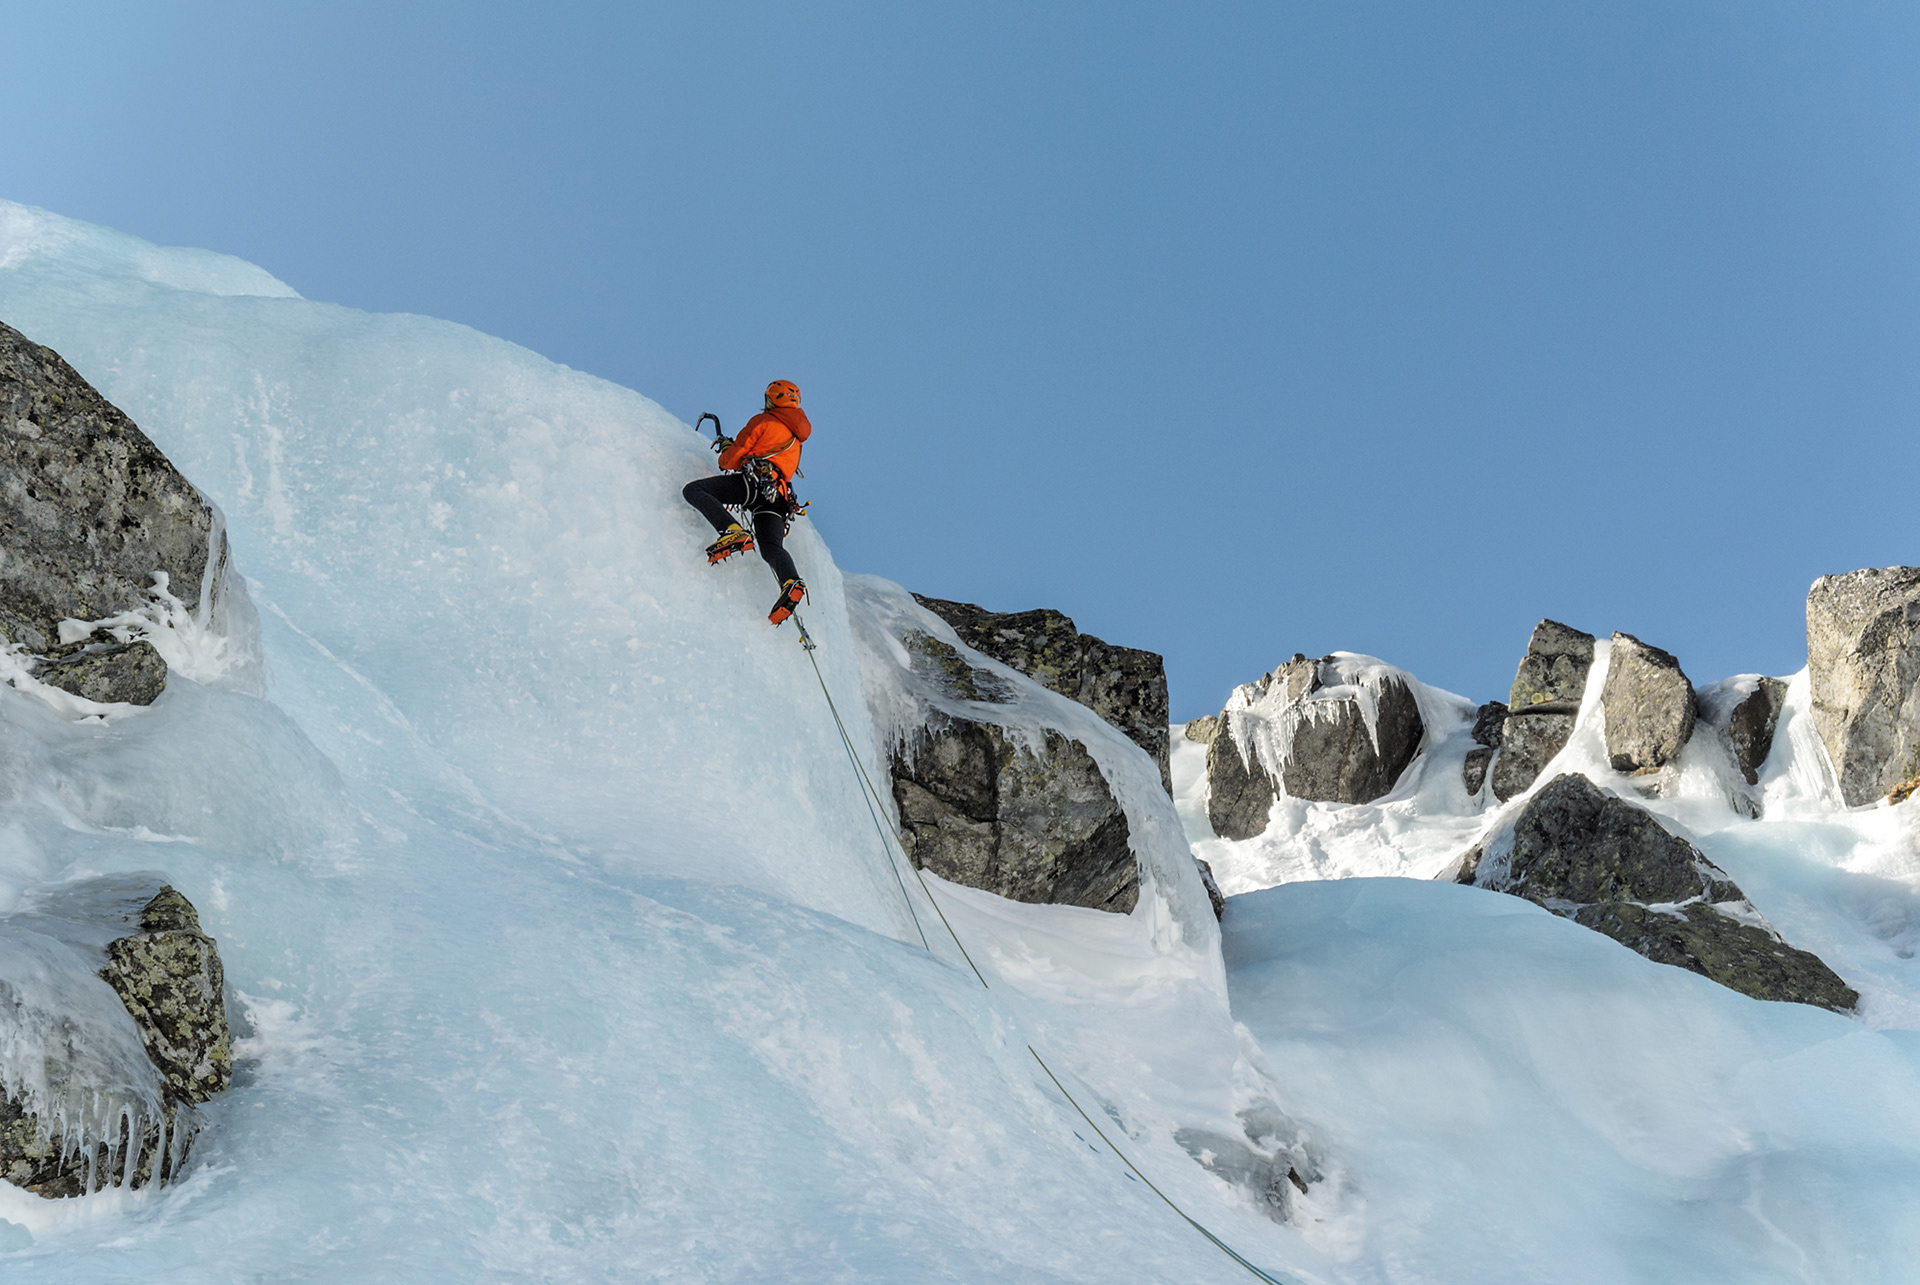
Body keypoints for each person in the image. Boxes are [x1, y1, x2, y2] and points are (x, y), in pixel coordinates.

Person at [681, 379, 812, 625]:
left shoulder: (763, 421)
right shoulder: (798, 436)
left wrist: (728, 453)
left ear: (771, 400)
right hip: (779, 498)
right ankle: (790, 581)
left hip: (754, 486)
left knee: (694, 490)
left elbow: (731, 459)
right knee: (772, 548)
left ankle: (732, 532)